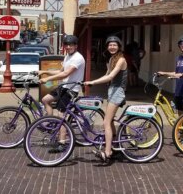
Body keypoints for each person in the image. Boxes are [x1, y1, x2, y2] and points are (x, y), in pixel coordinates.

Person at [38, 34, 85, 152]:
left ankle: (62, 143)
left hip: (71, 89)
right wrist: (43, 71)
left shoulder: (78, 58)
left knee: (61, 115)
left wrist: (46, 79)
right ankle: (52, 123)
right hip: (63, 86)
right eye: (66, 45)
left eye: (71, 45)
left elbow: (66, 74)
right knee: (45, 100)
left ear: (76, 46)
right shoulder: (67, 56)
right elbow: (60, 71)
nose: (68, 47)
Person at [84, 36, 127, 164]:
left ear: (119, 46)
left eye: (114, 45)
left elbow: (111, 77)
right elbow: (107, 74)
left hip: (118, 91)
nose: (112, 47)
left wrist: (92, 82)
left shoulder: (121, 60)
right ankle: (113, 147)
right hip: (112, 90)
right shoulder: (112, 58)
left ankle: (107, 152)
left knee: (106, 122)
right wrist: (93, 81)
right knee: (111, 121)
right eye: (110, 45)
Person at [157, 35, 183, 149]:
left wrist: (182, 75)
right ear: (179, 46)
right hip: (179, 91)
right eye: (182, 44)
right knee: (181, 115)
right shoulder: (178, 58)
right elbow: (176, 72)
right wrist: (164, 73)